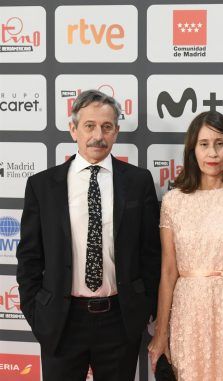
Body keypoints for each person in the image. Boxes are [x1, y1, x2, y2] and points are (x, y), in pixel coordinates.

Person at [15, 90, 161, 380]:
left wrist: (144, 307)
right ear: (73, 130)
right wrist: (37, 313)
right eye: (89, 126)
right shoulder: (42, 185)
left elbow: (151, 253)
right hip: (61, 321)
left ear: (116, 132)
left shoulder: (138, 182)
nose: (98, 135)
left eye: (107, 127)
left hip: (119, 320)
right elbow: (29, 257)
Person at [147, 111, 223, 380]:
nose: (212, 153)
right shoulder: (173, 201)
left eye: (219, 143)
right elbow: (168, 274)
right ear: (192, 150)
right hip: (189, 312)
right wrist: (161, 332)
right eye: (204, 144)